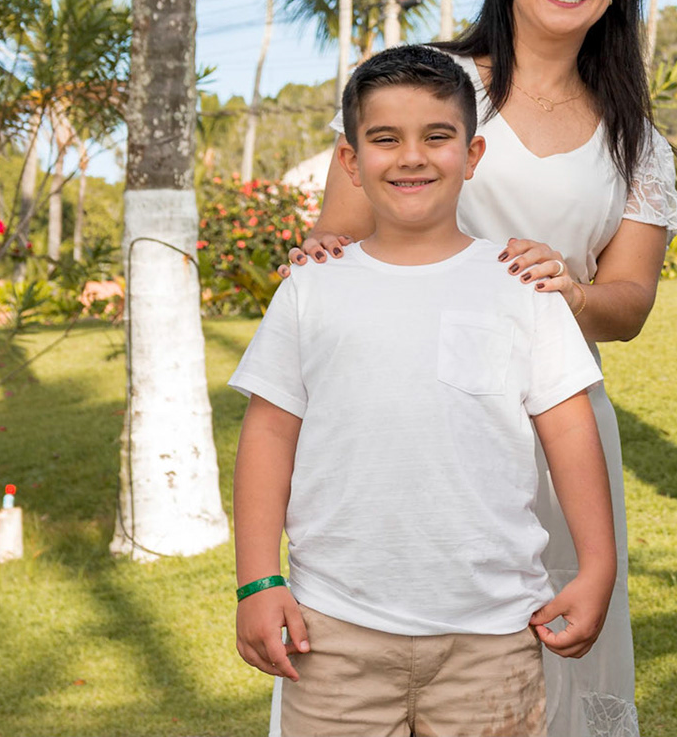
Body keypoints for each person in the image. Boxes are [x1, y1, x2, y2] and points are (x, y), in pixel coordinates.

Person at [289, 0, 677, 737]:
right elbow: (340, 234)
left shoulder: (637, 140)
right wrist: (321, 253)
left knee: (545, 660)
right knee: (388, 649)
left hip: (559, 424)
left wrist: (569, 292)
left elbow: (630, 304)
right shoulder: (429, 85)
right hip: (410, 414)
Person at [232, 45, 617, 737]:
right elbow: (267, 434)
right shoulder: (311, 289)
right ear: (350, 161)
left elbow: (569, 429)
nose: (411, 157)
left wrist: (598, 566)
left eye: (436, 136)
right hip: (333, 632)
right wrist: (258, 581)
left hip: (493, 638)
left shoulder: (521, 286)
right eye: (385, 139)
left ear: (472, 155)